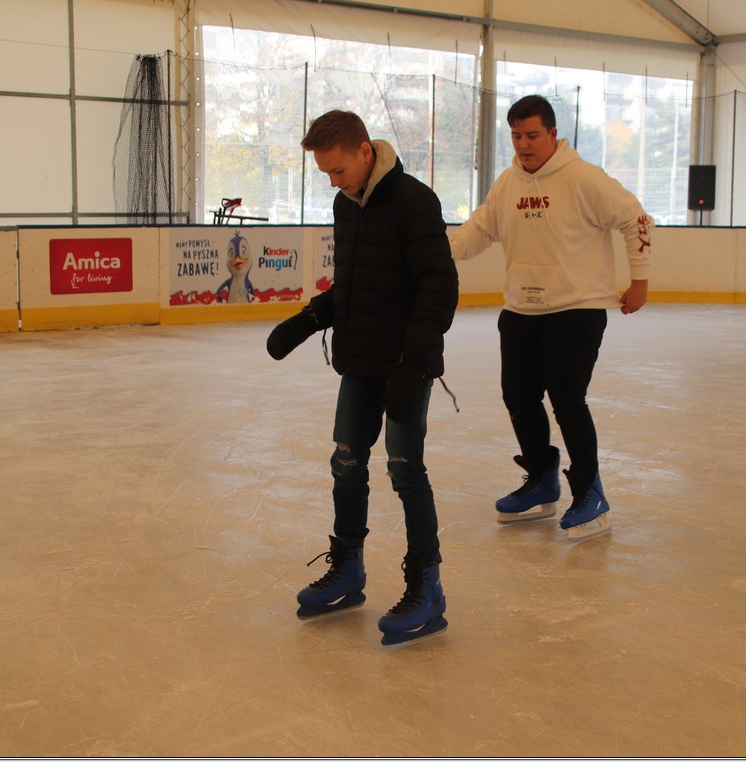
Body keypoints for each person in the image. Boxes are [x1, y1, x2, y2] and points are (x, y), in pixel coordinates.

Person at [266, 110, 458, 645]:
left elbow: (439, 287)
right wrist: (310, 318)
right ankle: (348, 569)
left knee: (404, 468)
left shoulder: (415, 202)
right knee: (346, 462)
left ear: (365, 152)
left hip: (404, 363)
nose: (333, 181)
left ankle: (427, 587)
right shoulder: (345, 204)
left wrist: (415, 363)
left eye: (338, 169)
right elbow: (355, 285)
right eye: (325, 173)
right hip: (360, 360)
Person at [449, 94, 653, 542]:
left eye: (532, 135)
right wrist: (441, 251)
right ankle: (542, 479)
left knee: (567, 400)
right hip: (520, 310)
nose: (523, 144)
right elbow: (480, 228)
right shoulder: (508, 183)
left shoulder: (583, 178)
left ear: (553, 133)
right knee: (518, 396)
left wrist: (638, 281)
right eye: (516, 136)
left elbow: (636, 219)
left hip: (576, 309)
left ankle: (590, 492)